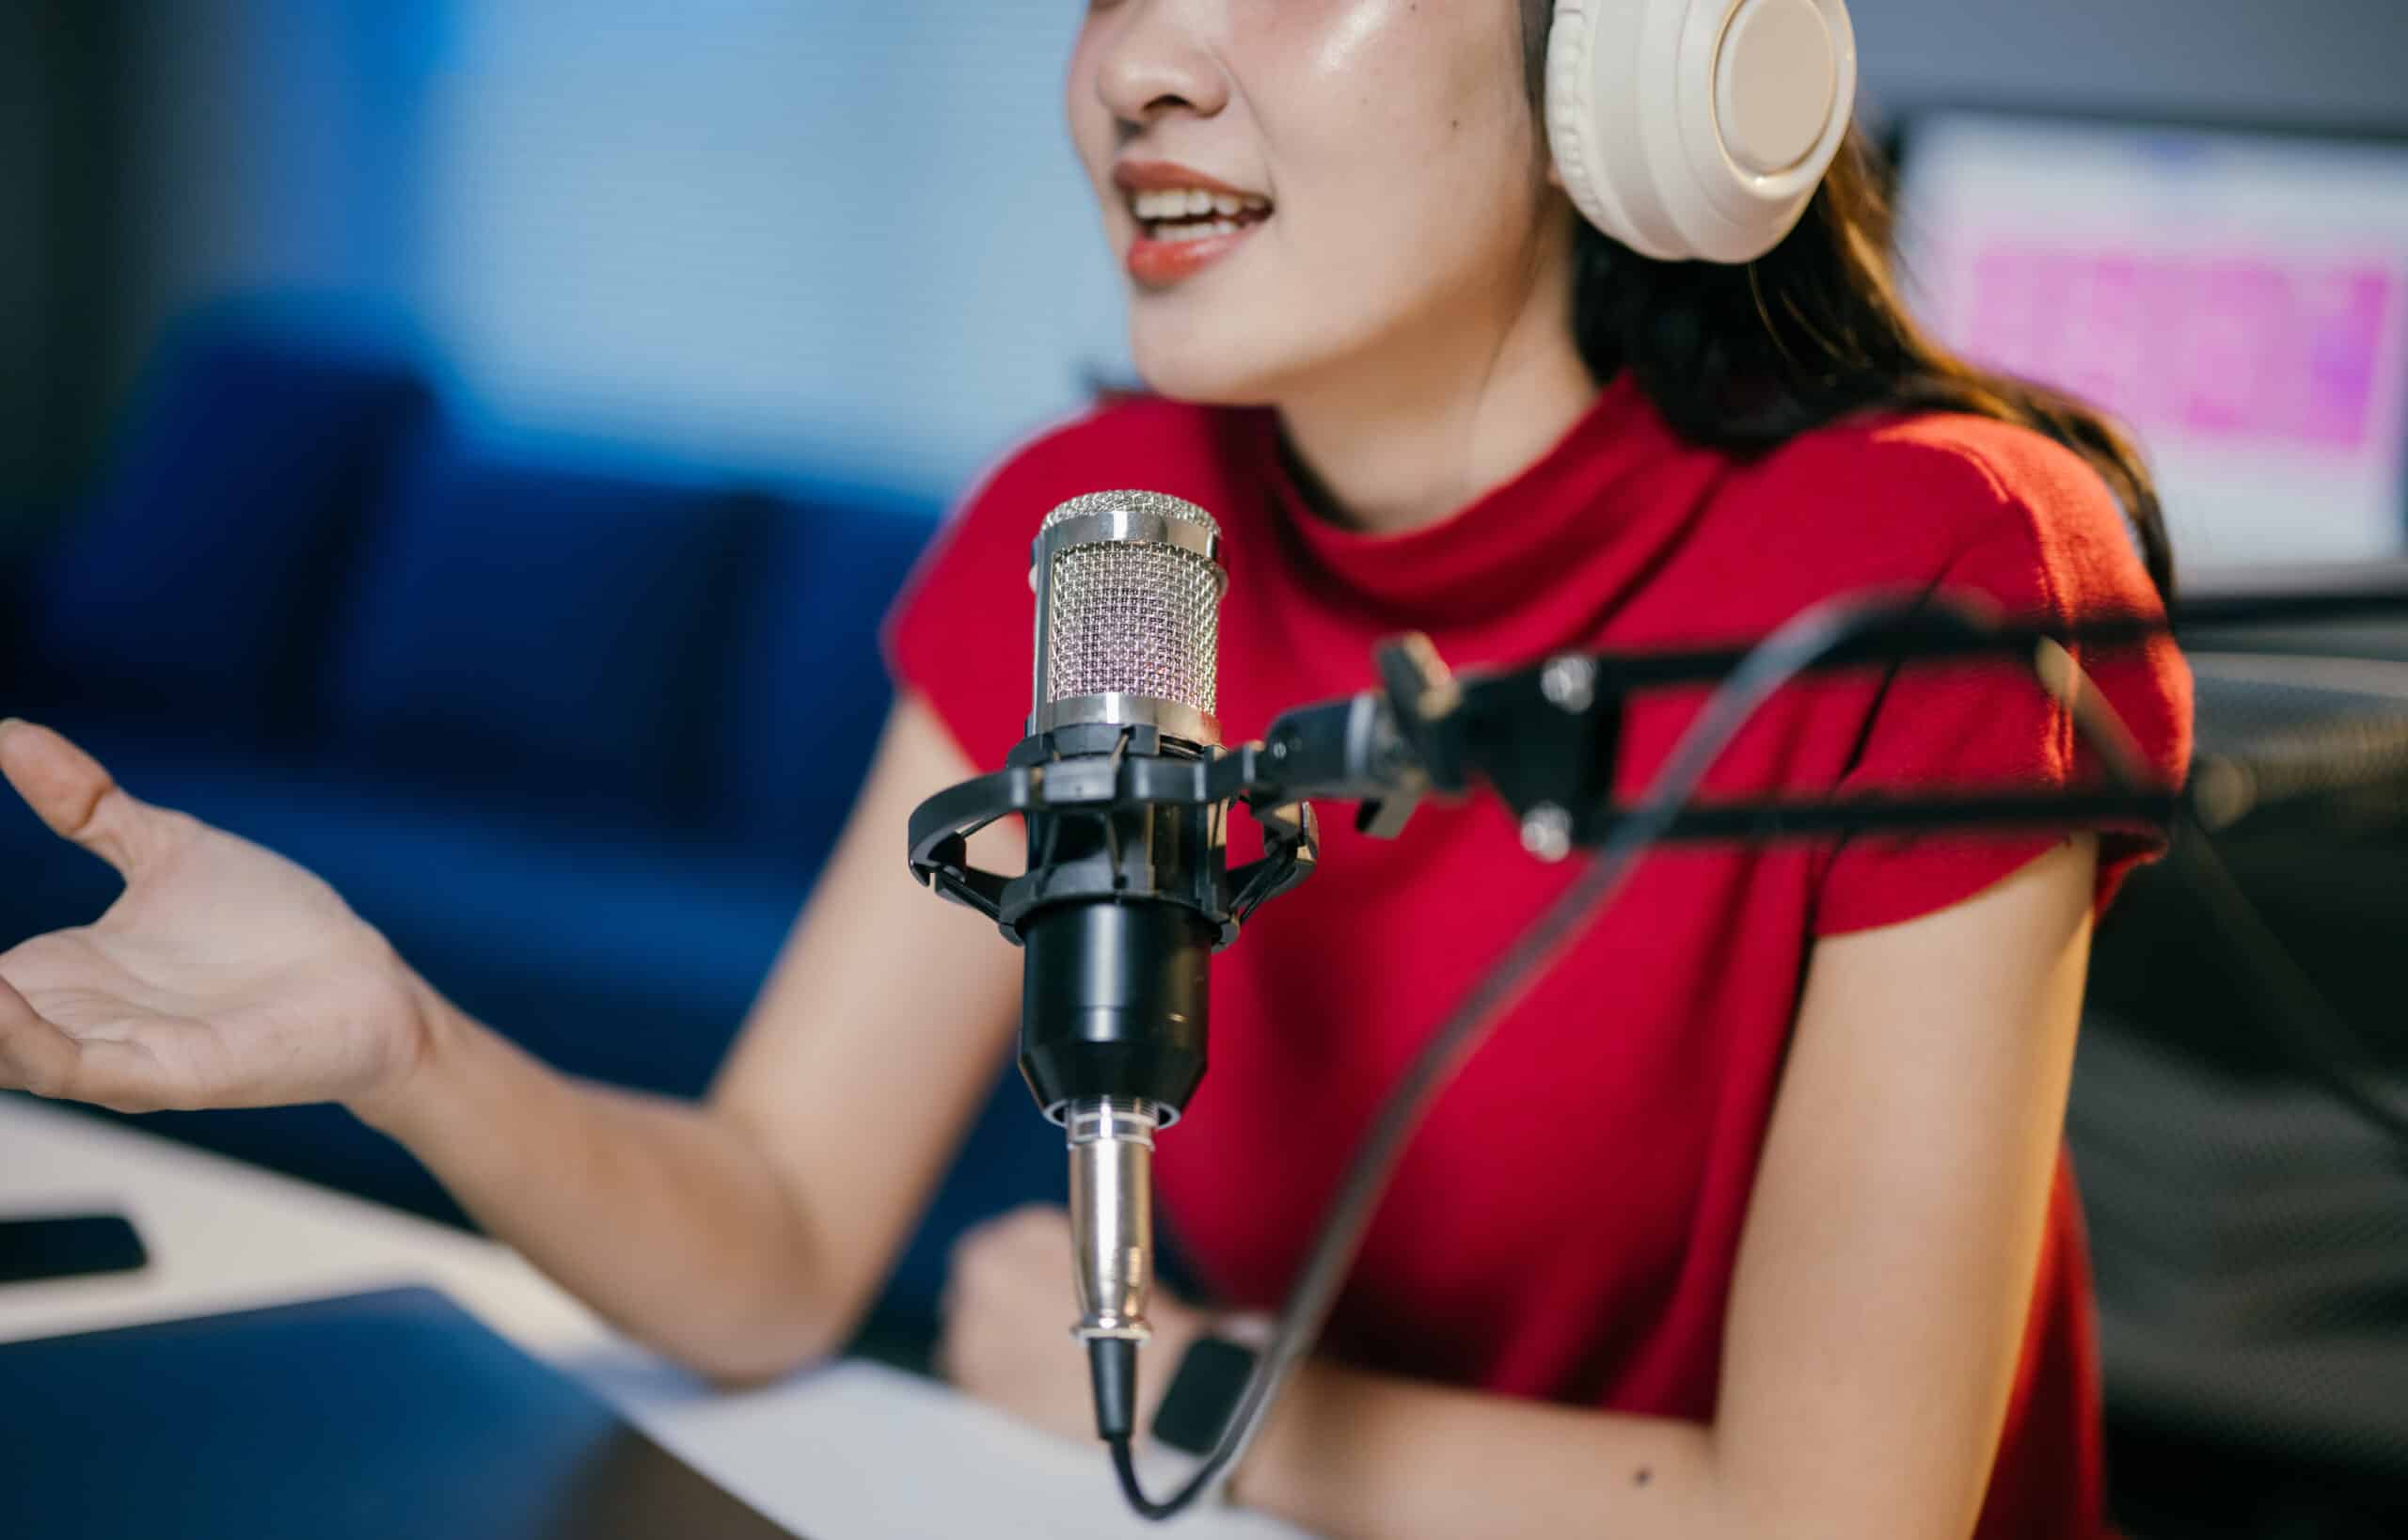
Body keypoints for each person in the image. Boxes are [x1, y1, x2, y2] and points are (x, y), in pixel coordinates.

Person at [0, 4, 2189, 1536]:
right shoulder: (1108, 530)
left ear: (1613, 51)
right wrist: (396, 1038)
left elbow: (1827, 1524)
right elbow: (768, 1237)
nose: (1135, 62)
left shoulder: (1935, 565)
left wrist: (1190, 1398)